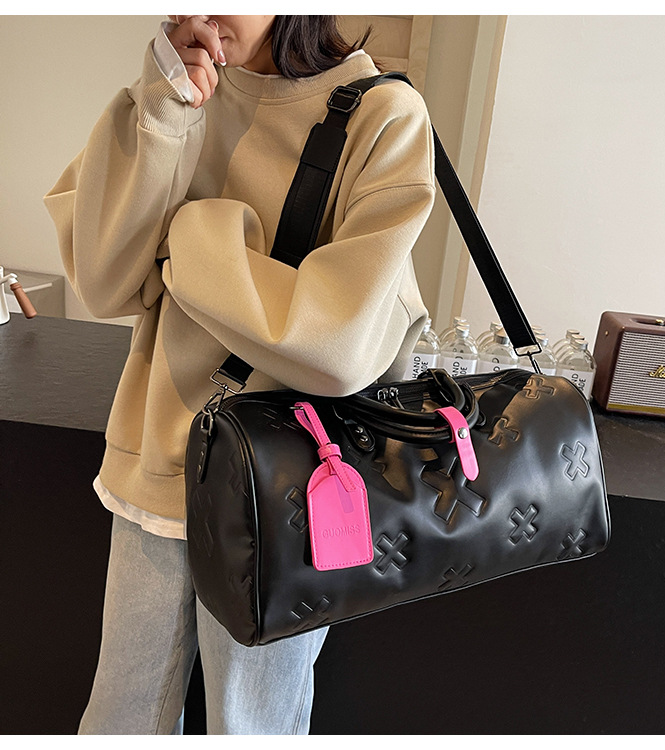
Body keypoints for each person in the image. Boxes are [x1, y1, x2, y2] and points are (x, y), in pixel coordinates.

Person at [43, 15, 435, 735]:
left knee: (250, 727)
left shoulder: (383, 115)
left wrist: (192, 239)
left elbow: (338, 342)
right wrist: (161, 109)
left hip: (290, 496)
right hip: (159, 464)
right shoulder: (175, 93)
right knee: (120, 721)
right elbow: (102, 281)